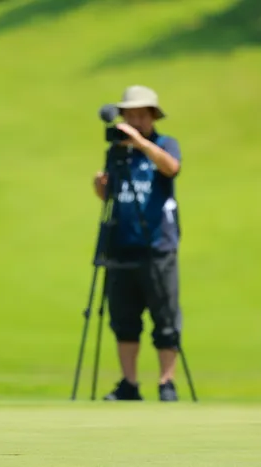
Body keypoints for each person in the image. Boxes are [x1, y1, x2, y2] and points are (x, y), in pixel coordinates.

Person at [93, 85, 183, 401]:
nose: (135, 121)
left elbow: (171, 168)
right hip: (120, 244)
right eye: (130, 116)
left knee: (165, 318)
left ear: (152, 116)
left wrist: (141, 144)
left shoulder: (165, 144)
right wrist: (99, 186)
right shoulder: (117, 151)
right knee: (124, 319)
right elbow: (109, 195)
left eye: (141, 115)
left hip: (158, 245)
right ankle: (129, 384)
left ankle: (166, 383)